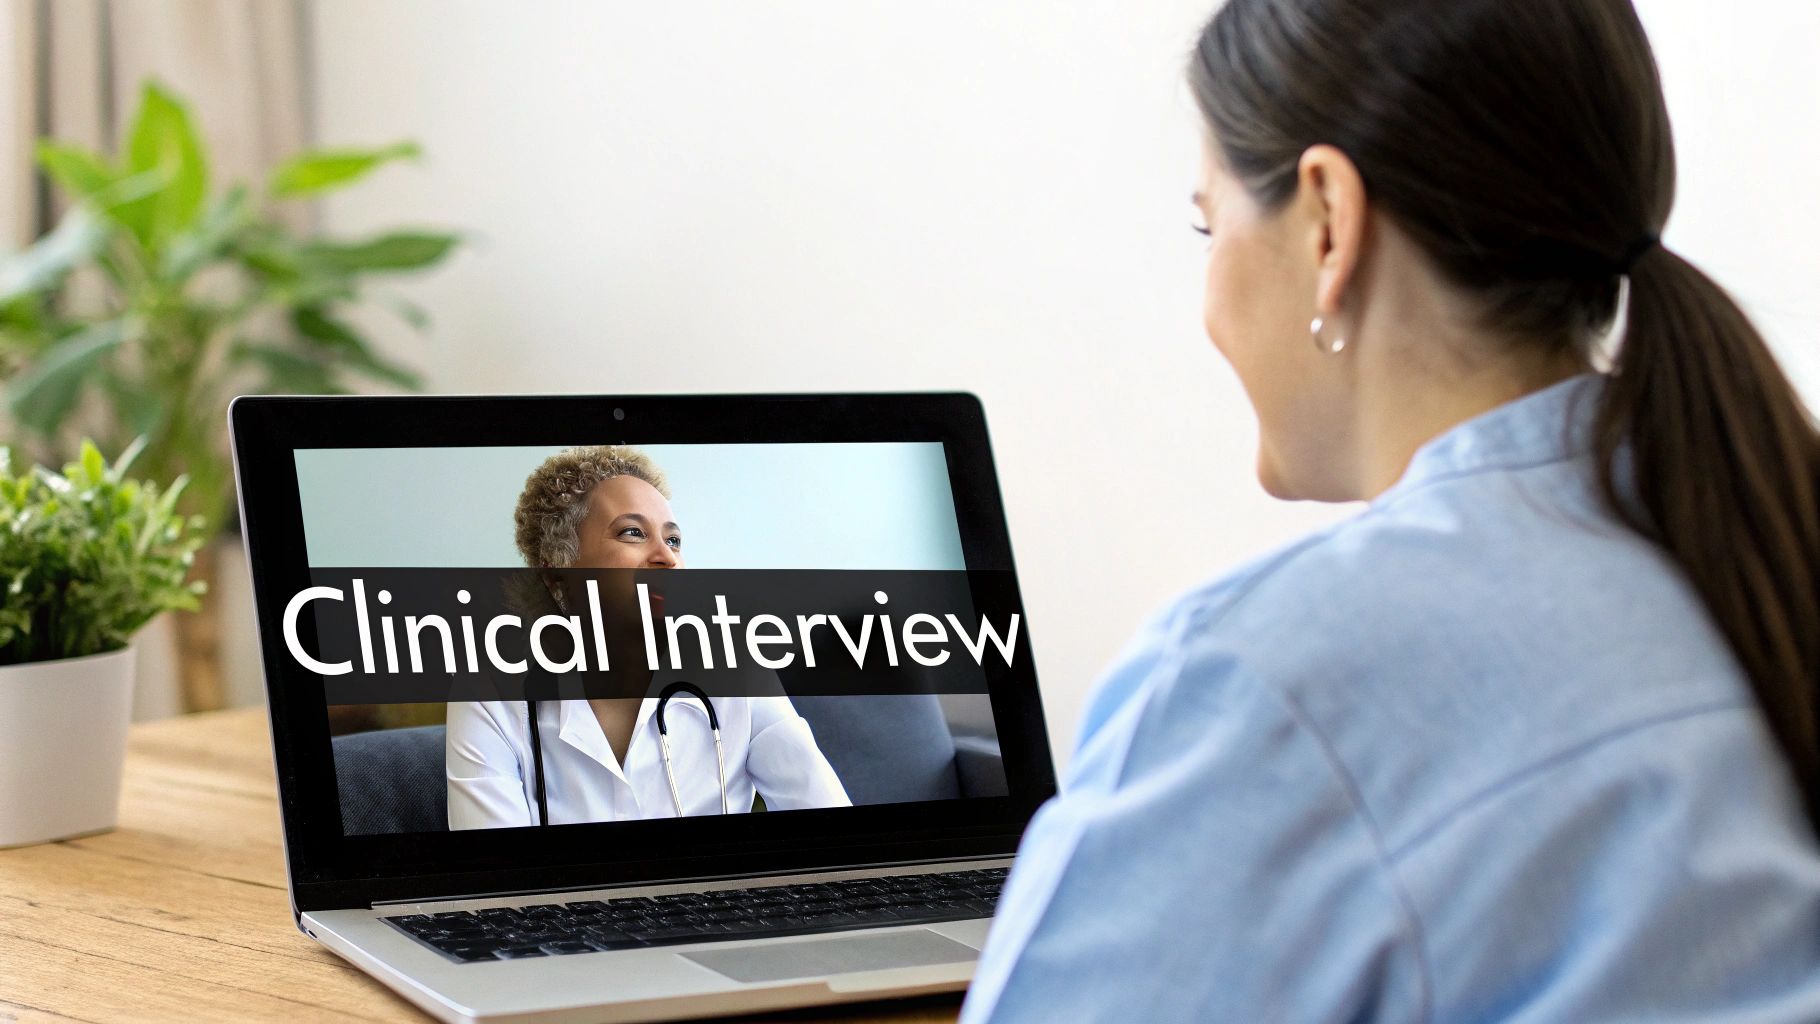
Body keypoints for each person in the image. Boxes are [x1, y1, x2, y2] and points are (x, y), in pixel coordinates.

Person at [962, 0, 1820, 1020]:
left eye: (1208, 225)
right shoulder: (1757, 537)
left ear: (1327, 220)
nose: (1206, 292)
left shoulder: (1258, 680)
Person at [446, 445, 850, 828]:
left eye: (673, 540)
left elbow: (835, 833)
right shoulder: (490, 690)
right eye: (633, 533)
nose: (667, 557)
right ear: (558, 574)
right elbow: (492, 874)